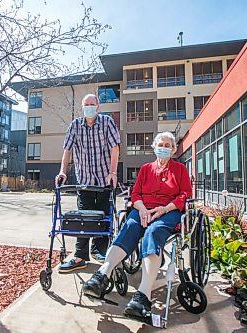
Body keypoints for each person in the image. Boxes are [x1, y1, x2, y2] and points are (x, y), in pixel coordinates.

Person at [82, 131, 192, 318]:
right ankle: (102, 275)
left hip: (168, 211)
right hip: (142, 209)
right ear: (154, 147)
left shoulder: (180, 169)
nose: (164, 148)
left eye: (168, 146)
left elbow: (184, 195)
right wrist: (141, 209)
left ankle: (143, 295)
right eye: (161, 144)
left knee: (153, 232)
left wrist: (163, 209)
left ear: (173, 150)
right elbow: (136, 195)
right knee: (130, 227)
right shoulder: (146, 169)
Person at [56, 93, 120, 273]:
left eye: (92, 104)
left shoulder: (107, 122)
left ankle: (99, 250)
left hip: (104, 180)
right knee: (82, 218)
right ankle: (79, 256)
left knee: (102, 217)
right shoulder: (75, 125)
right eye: (86, 105)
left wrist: (113, 172)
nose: (90, 107)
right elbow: (67, 150)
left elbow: (115, 148)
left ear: (98, 106)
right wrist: (63, 171)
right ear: (82, 107)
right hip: (84, 181)